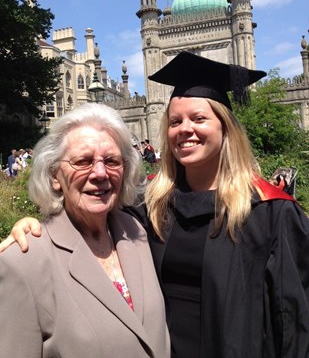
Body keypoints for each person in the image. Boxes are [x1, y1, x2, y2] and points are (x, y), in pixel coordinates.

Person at [2, 51, 309, 357]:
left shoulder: (271, 213)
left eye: (199, 118)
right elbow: (84, 213)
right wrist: (33, 224)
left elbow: (292, 324)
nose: (185, 129)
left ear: (226, 128)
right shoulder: (152, 208)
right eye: (175, 121)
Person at [0, 103, 169, 357]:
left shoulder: (136, 231)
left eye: (111, 161)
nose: (100, 173)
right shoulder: (24, 262)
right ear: (55, 175)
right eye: (83, 161)